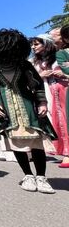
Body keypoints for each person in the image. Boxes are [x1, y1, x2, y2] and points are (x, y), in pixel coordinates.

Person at [0, 29, 57, 194]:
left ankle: (42, 177)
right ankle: (28, 175)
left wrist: (42, 102)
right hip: (5, 109)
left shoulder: (24, 64)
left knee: (36, 143)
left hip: (28, 106)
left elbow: (37, 84)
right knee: (17, 145)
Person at [30, 33, 69, 159]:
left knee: (64, 119)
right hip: (48, 91)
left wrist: (61, 73)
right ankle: (64, 151)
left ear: (46, 44)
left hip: (62, 90)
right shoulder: (34, 62)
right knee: (56, 121)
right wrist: (41, 75)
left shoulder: (58, 55)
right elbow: (30, 79)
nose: (33, 47)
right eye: (32, 44)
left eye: (36, 44)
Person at [50, 27, 69, 168]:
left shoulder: (62, 53)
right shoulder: (59, 53)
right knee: (62, 121)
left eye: (54, 35)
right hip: (59, 91)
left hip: (65, 88)